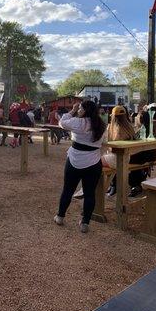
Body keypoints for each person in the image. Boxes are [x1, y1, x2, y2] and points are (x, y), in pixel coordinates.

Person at [54, 100, 107, 233]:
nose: (78, 111)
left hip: (74, 160)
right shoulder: (101, 124)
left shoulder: (78, 122)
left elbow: (61, 123)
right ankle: (85, 223)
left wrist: (72, 110)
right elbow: (104, 142)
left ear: (83, 110)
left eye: (80, 109)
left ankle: (60, 216)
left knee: (68, 190)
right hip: (94, 162)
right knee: (90, 193)